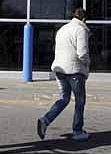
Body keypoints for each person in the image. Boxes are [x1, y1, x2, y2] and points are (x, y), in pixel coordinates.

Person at [37, 8, 91, 141]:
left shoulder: (62, 29)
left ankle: (45, 120)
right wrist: (88, 64)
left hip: (59, 69)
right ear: (84, 19)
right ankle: (77, 131)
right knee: (80, 101)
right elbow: (82, 53)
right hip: (74, 70)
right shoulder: (81, 29)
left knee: (64, 99)